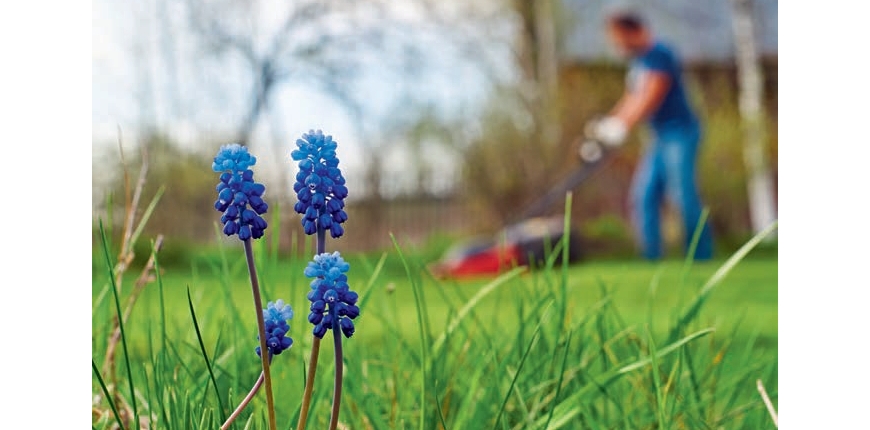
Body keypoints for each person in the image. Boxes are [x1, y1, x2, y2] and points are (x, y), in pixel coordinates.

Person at [587, 10, 713, 260]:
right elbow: (632, 98)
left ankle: (700, 256)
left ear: (633, 32)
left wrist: (623, 126)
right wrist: (610, 124)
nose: (616, 44)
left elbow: (651, 96)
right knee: (644, 196)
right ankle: (651, 257)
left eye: (618, 38)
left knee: (682, 195)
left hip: (679, 133)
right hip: (657, 137)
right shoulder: (639, 63)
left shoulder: (659, 54)